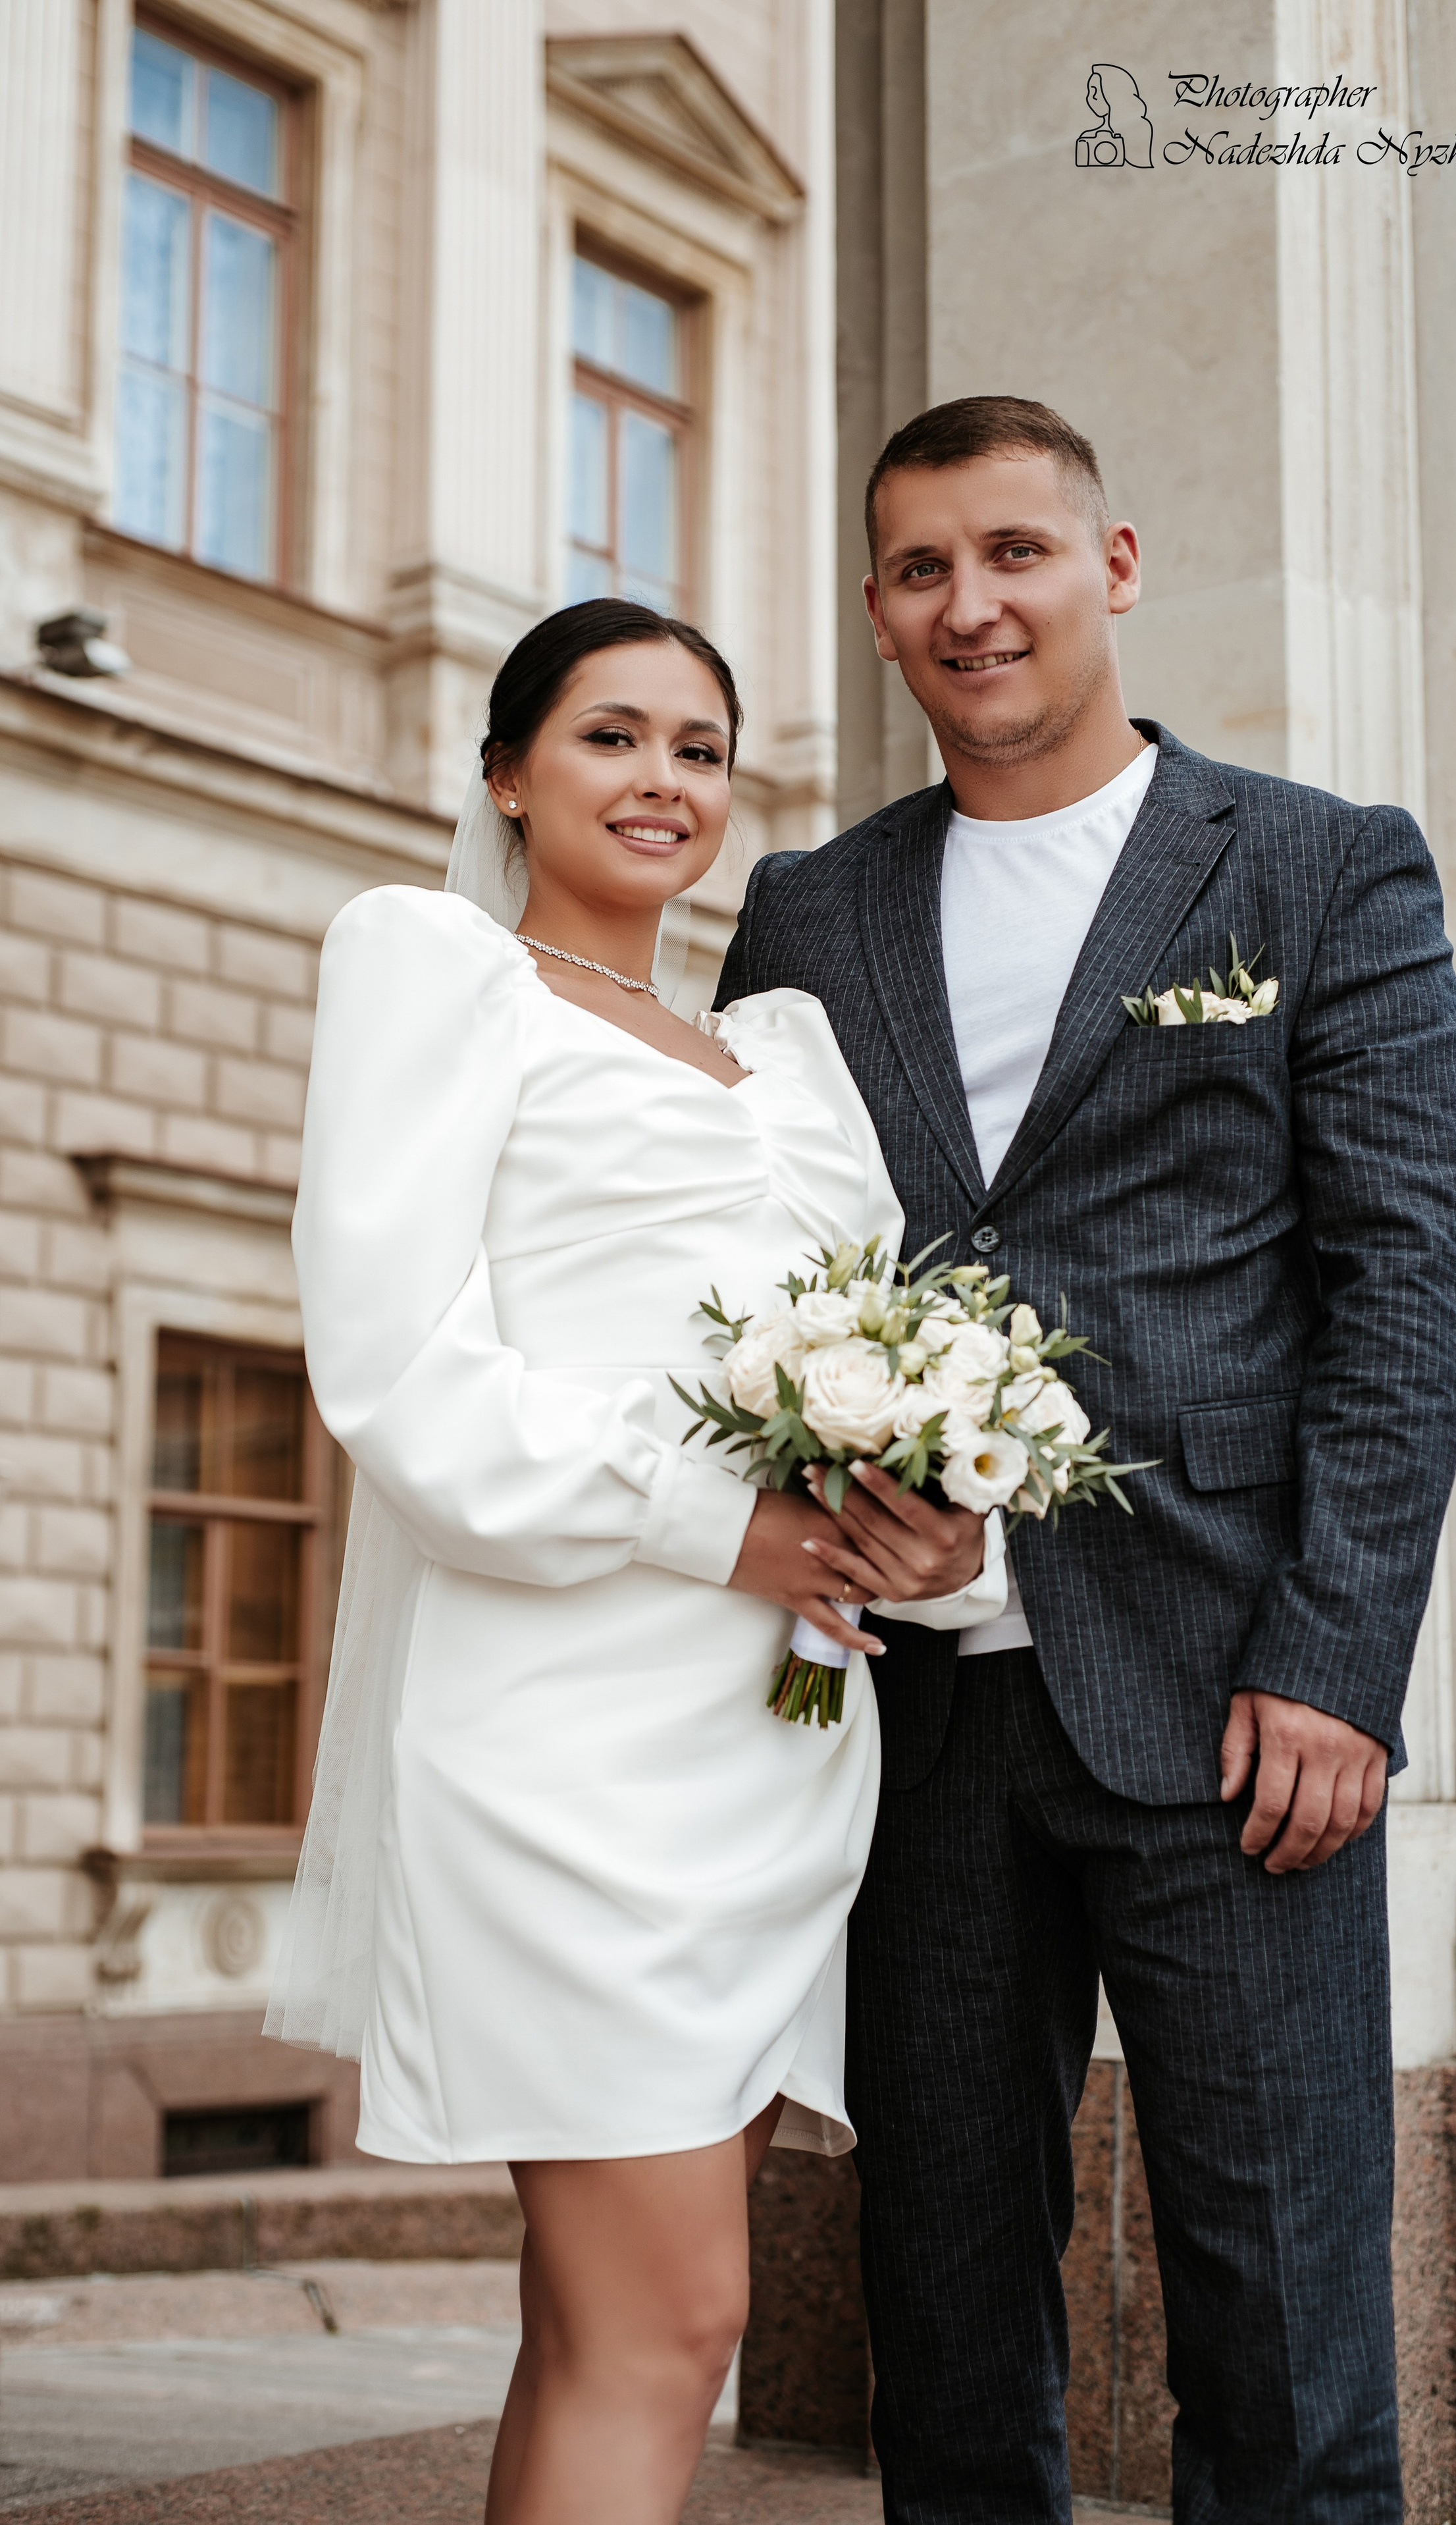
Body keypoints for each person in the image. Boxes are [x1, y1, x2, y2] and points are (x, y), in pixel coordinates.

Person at [716, 397, 1456, 2523]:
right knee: (944, 2317)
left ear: (1114, 563)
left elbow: (1408, 1291)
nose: (973, 605)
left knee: (1284, 2328)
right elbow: (749, 1262)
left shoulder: (1321, 868)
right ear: (877, 612)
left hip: (1238, 1705)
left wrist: (1338, 1658)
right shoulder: (805, 906)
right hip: (913, 1722)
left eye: (1015, 552)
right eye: (920, 570)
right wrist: (798, 1509)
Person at [264, 597, 1004, 2525]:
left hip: (769, 1745)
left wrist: (922, 1517)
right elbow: (404, 1372)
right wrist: (727, 1522)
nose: (661, 780)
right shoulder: (436, 968)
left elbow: (870, 1336)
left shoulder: (785, 1048)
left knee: (599, 2325)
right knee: (675, 2323)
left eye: (697, 746)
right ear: (506, 770)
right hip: (563, 1740)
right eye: (609, 736)